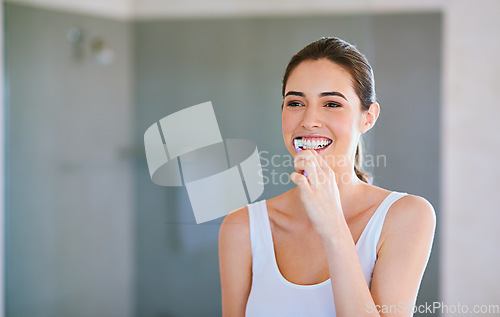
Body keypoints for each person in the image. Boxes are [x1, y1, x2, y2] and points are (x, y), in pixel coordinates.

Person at [218, 37, 436, 317]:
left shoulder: (406, 217)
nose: (308, 121)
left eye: (331, 104)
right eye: (295, 103)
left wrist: (332, 225)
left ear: (367, 118)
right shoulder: (241, 227)